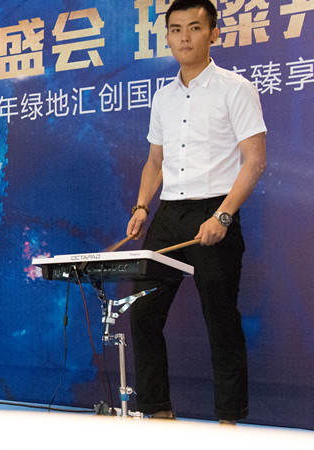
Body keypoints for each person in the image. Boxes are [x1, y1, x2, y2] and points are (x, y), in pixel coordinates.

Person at [126, 0, 266, 424]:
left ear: (213, 33)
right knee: (143, 311)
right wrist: (142, 206)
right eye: (175, 29)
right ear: (167, 37)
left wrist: (223, 216)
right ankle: (158, 412)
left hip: (215, 209)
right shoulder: (163, 97)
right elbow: (155, 161)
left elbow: (255, 160)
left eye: (194, 27)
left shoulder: (235, 88)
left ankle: (228, 420)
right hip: (169, 214)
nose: (184, 37)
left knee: (220, 317)